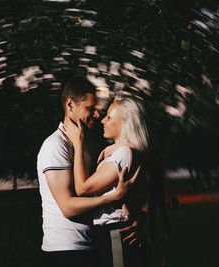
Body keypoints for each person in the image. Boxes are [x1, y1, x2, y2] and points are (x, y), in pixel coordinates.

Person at [36, 78, 141, 267]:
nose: (97, 114)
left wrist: (135, 218)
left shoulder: (90, 145)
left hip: (95, 245)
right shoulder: (55, 146)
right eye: (90, 108)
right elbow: (67, 207)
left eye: (98, 109)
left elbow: (110, 187)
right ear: (70, 105)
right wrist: (114, 198)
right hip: (67, 250)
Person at [63, 95, 150, 267]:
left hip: (116, 231)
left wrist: (78, 144)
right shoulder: (121, 151)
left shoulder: (124, 153)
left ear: (126, 123)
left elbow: (82, 189)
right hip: (112, 232)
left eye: (109, 117)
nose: (102, 120)